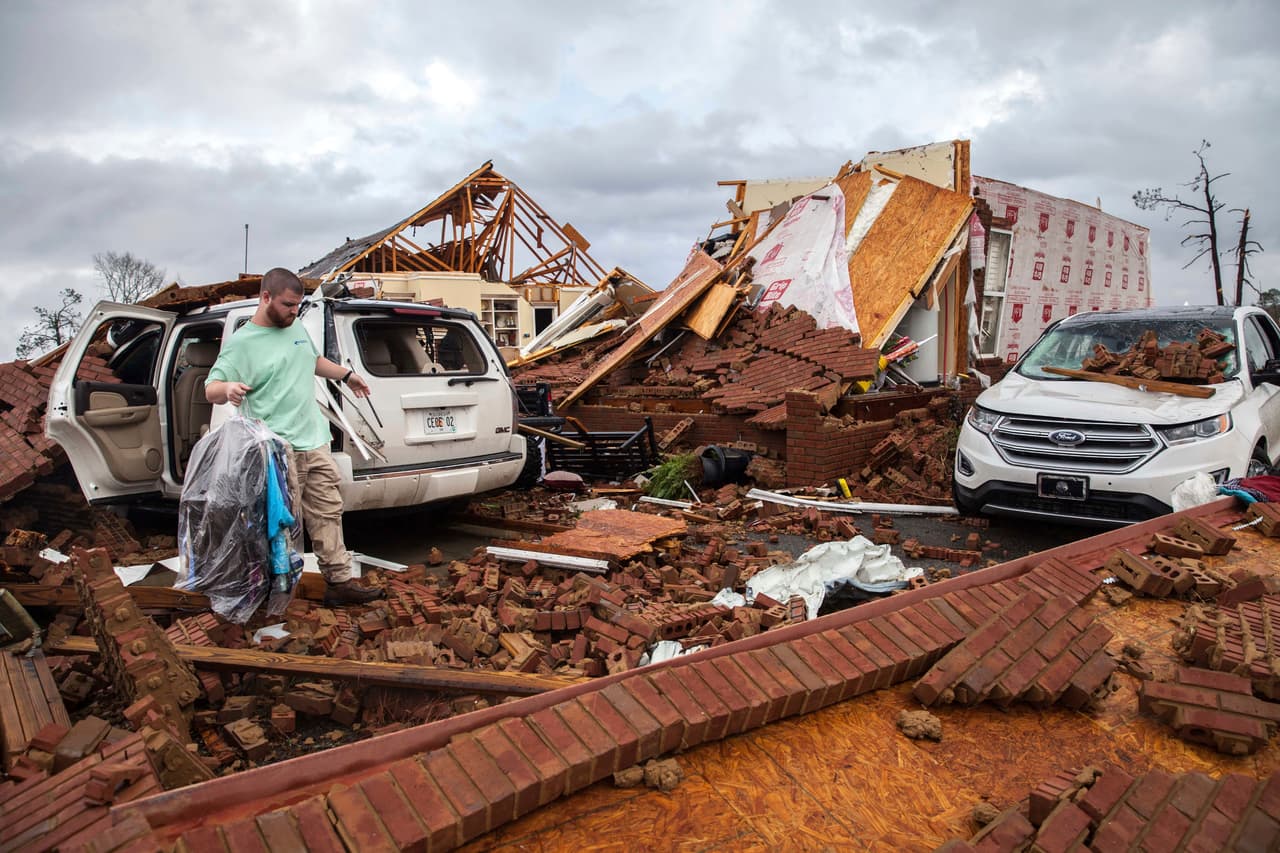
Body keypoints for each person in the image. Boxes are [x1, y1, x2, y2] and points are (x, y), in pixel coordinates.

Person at [204, 268, 384, 605]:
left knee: (328, 513)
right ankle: (275, 592)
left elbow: (311, 359)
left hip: (313, 439)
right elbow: (210, 387)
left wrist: (346, 375)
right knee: (278, 525)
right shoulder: (243, 343)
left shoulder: (295, 326)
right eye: (287, 305)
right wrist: (227, 388)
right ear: (266, 298)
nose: (293, 311)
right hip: (274, 448)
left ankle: (340, 583)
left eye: (298, 306)